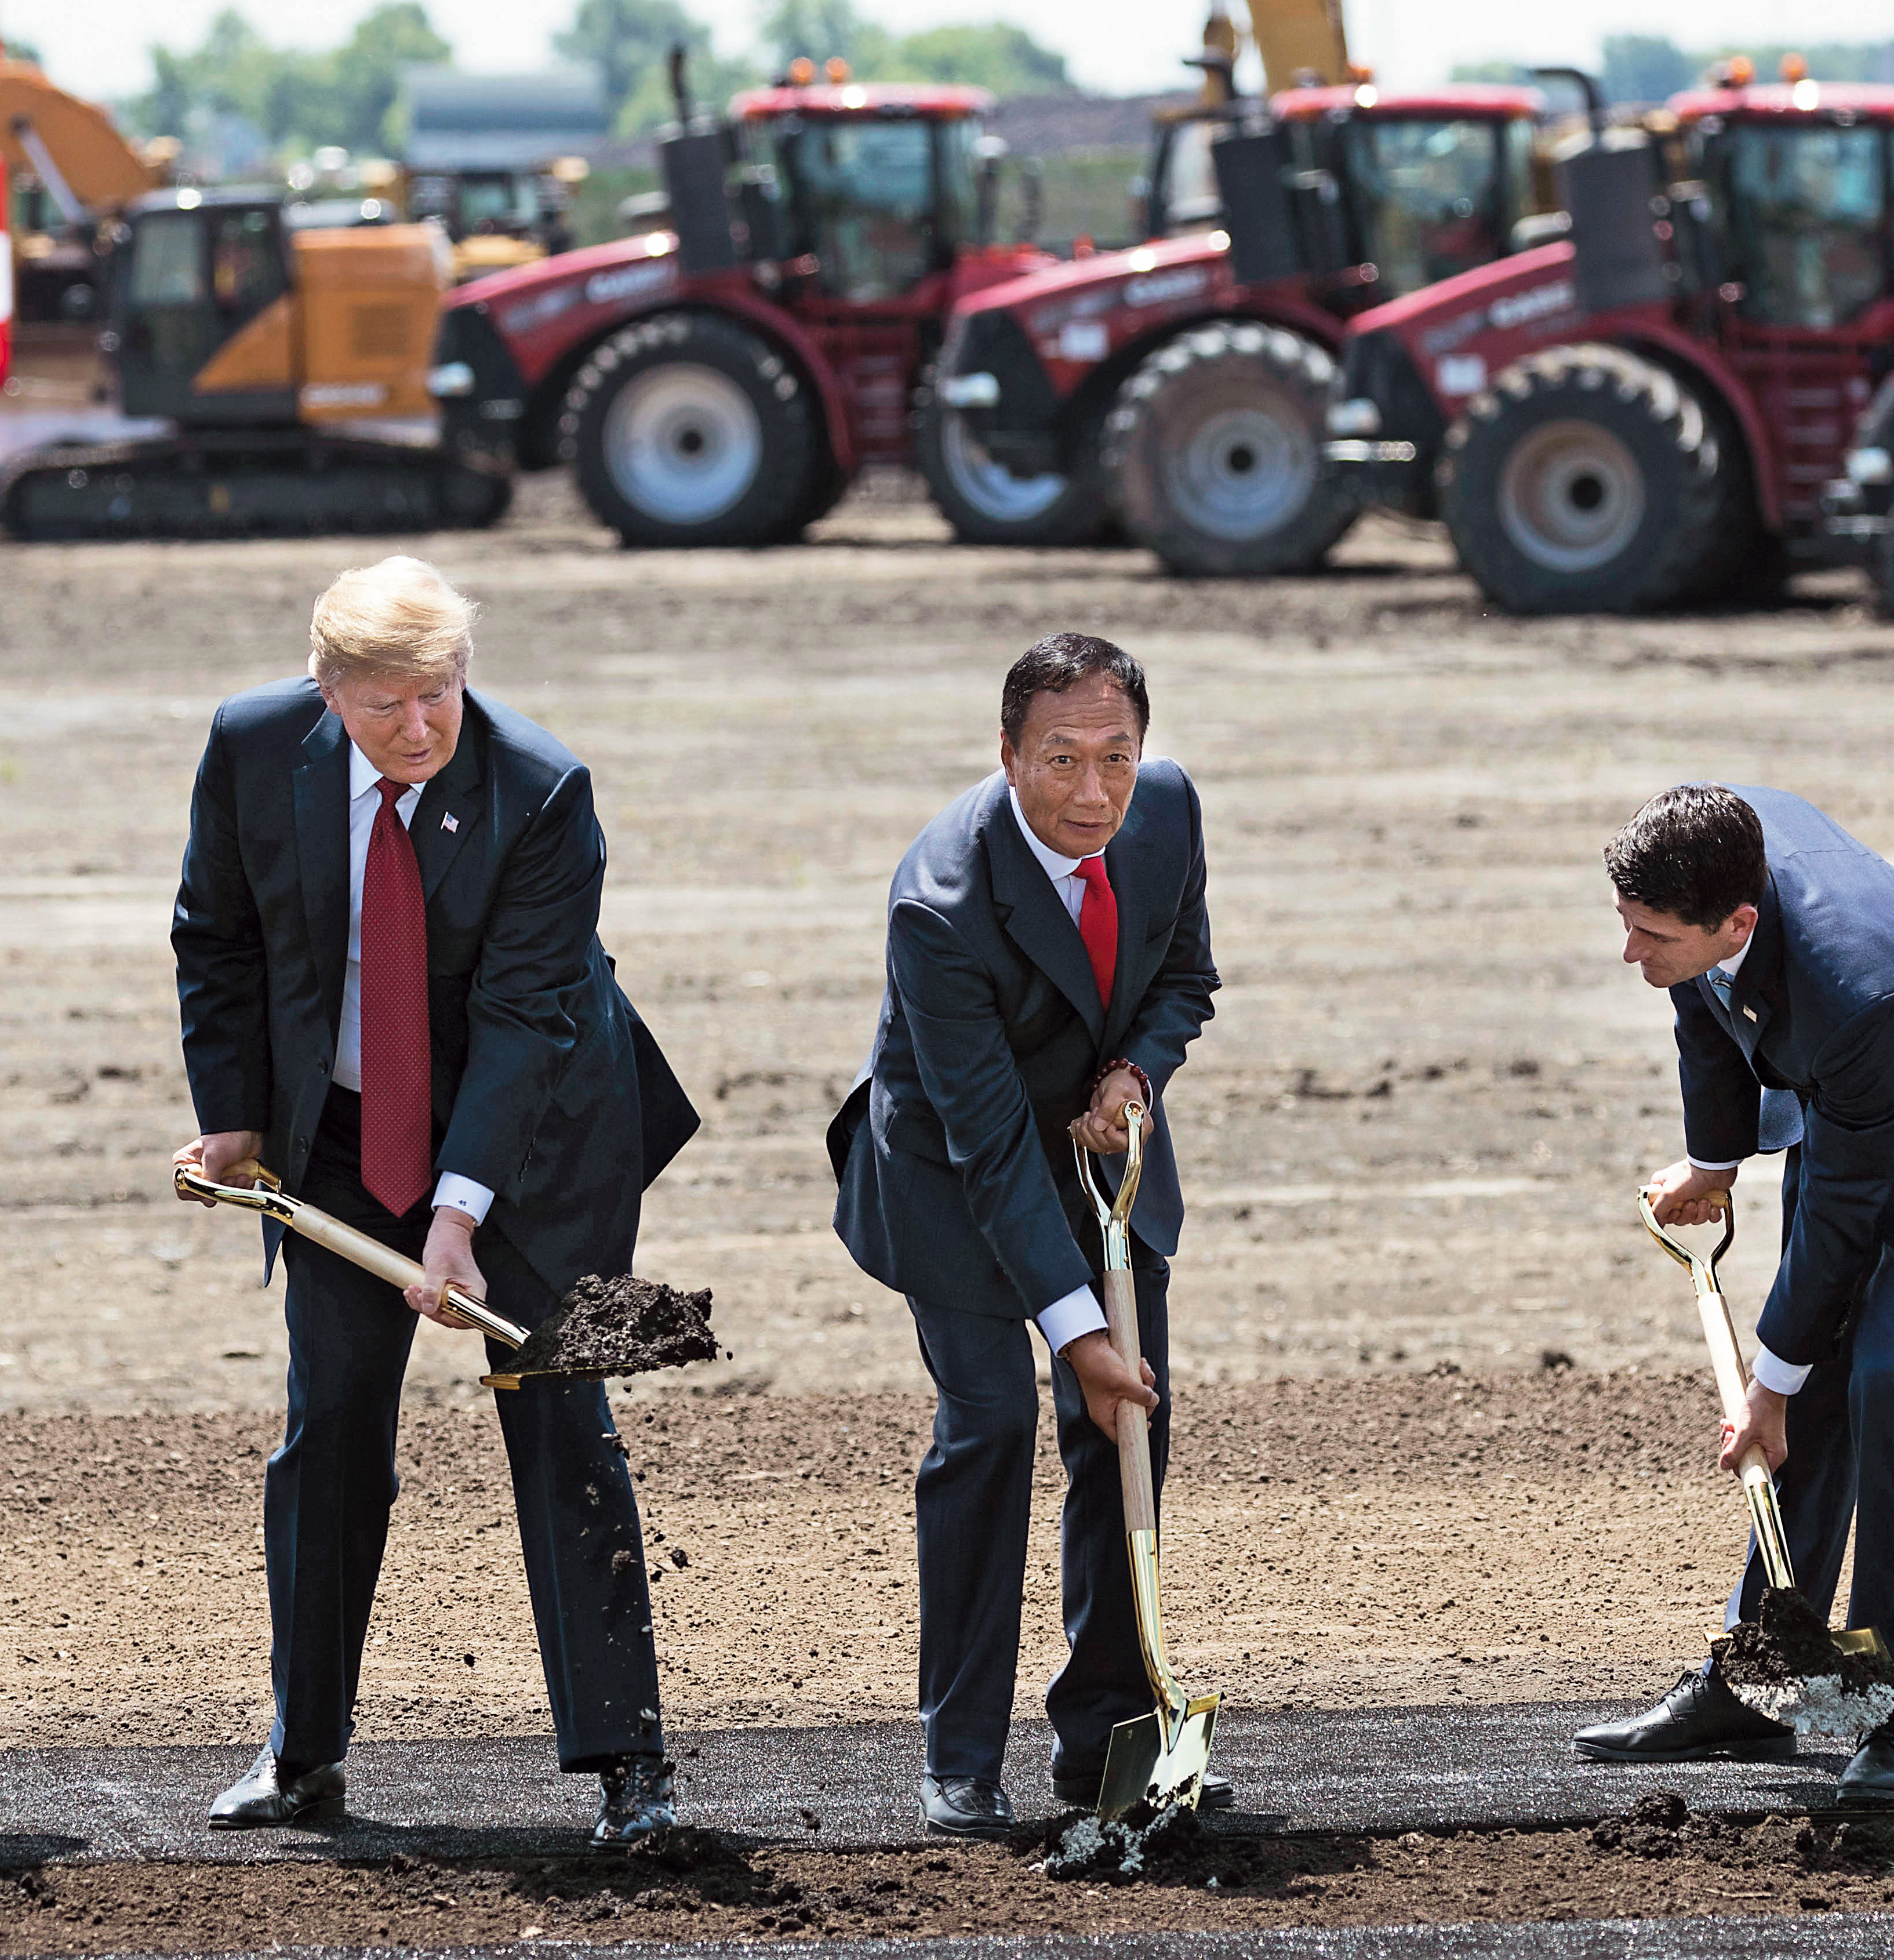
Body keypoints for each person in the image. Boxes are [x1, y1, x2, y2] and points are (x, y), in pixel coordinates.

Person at [171, 556, 697, 1844]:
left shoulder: (543, 785)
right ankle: (301, 1750)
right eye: (387, 702)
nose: (420, 726)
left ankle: (631, 1764)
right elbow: (216, 936)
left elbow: (525, 1018)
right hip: (342, 1135)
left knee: (568, 1411)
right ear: (326, 687)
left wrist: (457, 1217)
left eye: (442, 691)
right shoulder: (251, 744)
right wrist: (234, 1116)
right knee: (330, 1422)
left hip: (560, 1134)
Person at [1574, 784, 1894, 1800]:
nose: (1629, 953)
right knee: (1812, 1360)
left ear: (1740, 921)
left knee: (1886, 1371)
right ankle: (1765, 1679)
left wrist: (1770, 1389)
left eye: (1650, 935)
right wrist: (1713, 1158)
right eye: (1625, 925)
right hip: (1860, 1100)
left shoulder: (1861, 992)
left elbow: (1845, 1224)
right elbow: (1701, 1006)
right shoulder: (1708, 860)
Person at [827, 634, 1226, 1836]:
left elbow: (1185, 980)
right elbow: (989, 1142)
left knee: (1122, 1428)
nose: (1093, 791)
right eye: (1060, 760)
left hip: (1101, 1155)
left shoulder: (1163, 814)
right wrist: (1076, 1327)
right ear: (1006, 755)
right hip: (951, 1171)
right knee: (993, 1421)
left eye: (1116, 755)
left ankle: (1109, 1728)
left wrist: (1133, 1073)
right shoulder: (938, 902)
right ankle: (957, 1754)